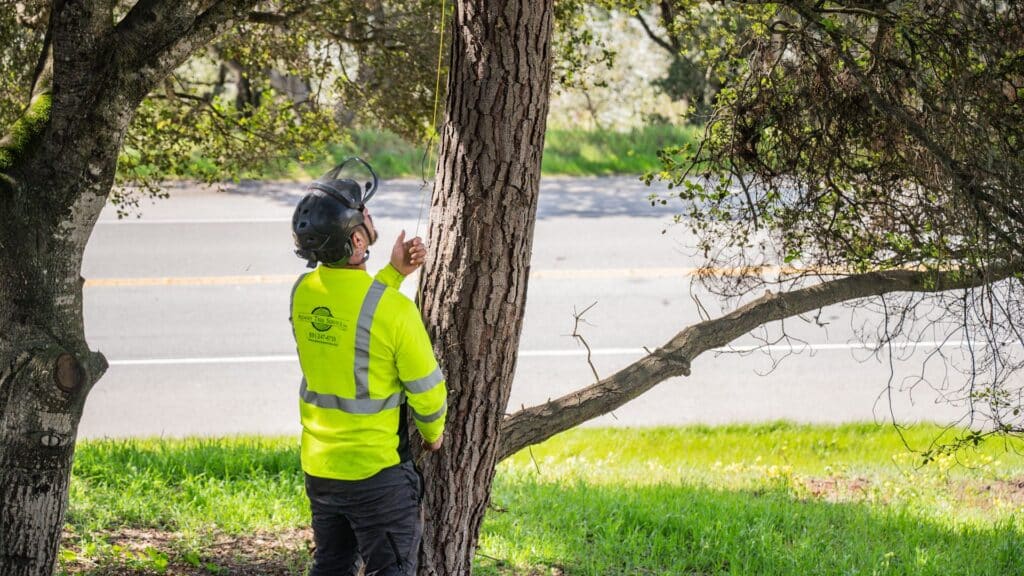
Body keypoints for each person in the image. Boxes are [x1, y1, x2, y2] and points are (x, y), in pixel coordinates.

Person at [290, 162, 447, 576]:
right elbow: (428, 392)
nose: (371, 218)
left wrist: (394, 273)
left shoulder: (303, 294)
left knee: (332, 566)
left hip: (321, 468)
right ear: (358, 239)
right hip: (376, 476)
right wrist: (433, 436)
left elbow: (353, 323)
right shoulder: (394, 311)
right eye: (366, 215)